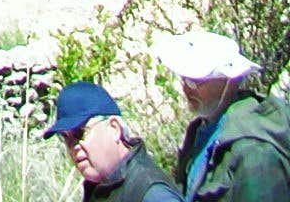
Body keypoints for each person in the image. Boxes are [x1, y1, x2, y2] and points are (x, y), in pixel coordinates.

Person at [168, 32, 290, 199]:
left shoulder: (254, 151)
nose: (186, 89)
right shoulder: (199, 133)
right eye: (184, 79)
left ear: (230, 81)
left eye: (195, 82)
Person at [48, 79, 178, 196]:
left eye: (79, 133)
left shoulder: (151, 192)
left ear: (114, 129)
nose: (73, 146)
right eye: (65, 137)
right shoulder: (99, 187)